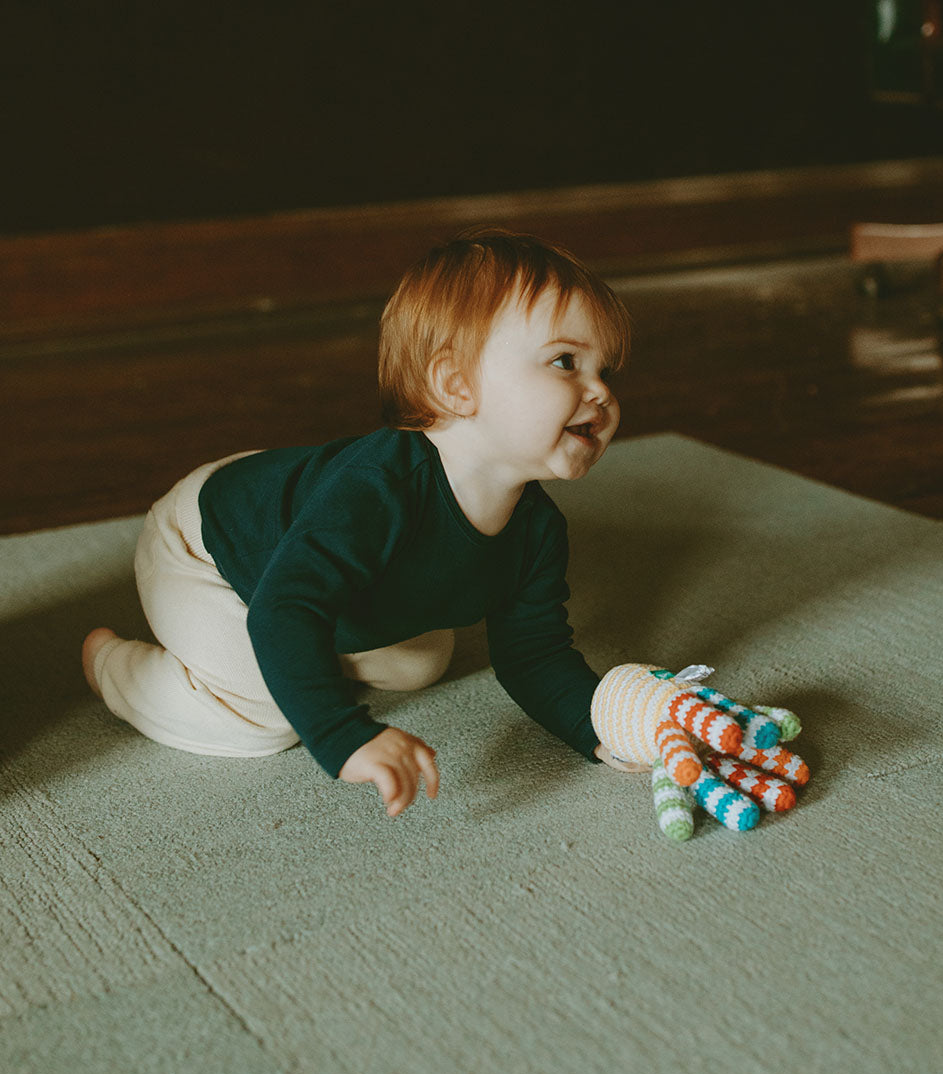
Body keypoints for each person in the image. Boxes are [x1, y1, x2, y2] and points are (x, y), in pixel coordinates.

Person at [82, 227, 642, 818]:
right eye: (565, 362)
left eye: (606, 370)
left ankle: (311, 653)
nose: (600, 392)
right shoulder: (379, 492)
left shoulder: (537, 530)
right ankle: (116, 668)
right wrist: (345, 734)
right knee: (263, 720)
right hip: (210, 549)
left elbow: (534, 652)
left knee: (423, 662)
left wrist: (599, 730)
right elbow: (285, 608)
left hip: (298, 512)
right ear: (456, 386)